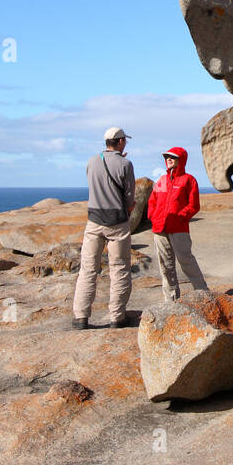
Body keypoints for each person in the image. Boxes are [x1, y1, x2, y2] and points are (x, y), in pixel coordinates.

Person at [71, 126, 136, 329]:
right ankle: (117, 317)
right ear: (120, 142)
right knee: (120, 269)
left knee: (88, 270)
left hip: (94, 221)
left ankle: (81, 316)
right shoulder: (126, 164)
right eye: (124, 139)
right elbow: (130, 199)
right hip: (117, 222)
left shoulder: (92, 161)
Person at [148, 147, 209, 302]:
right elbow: (152, 202)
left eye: (172, 157)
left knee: (186, 261)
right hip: (160, 230)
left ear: (181, 160)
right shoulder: (161, 180)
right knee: (165, 266)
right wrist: (153, 217)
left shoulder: (189, 180)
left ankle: (203, 294)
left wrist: (181, 216)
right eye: (167, 157)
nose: (168, 159)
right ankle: (171, 300)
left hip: (179, 229)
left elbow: (194, 205)